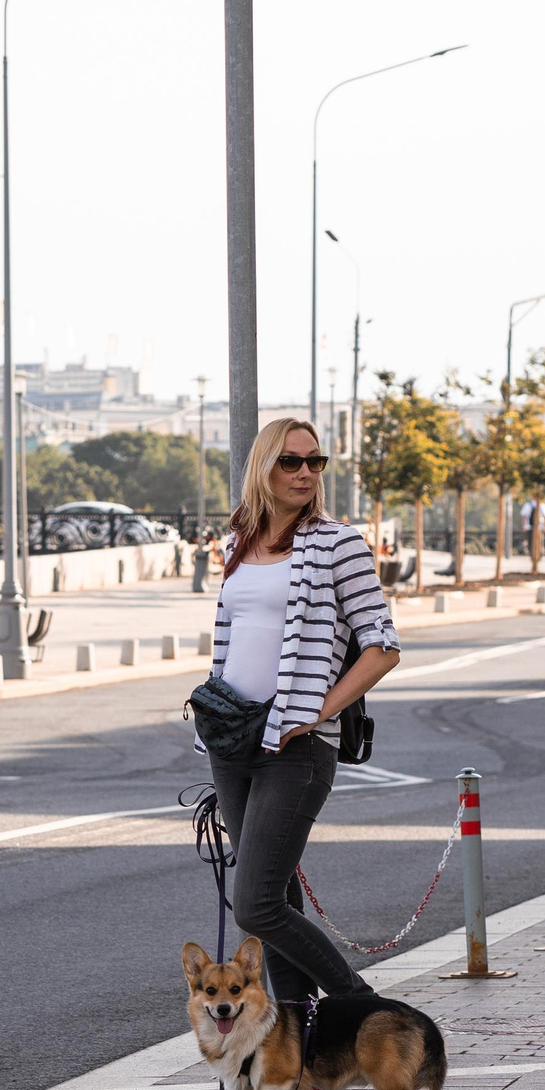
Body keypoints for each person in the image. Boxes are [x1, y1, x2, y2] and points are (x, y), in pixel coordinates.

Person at [205, 418, 402, 1017]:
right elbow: (236, 637)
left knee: (257, 906)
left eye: (315, 462)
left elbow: (382, 646)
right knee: (278, 898)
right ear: (262, 467)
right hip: (233, 739)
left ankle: (366, 1013)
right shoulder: (240, 540)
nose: (304, 474)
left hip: (297, 744)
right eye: (290, 462)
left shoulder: (338, 543)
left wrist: (316, 712)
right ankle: (302, 1050)